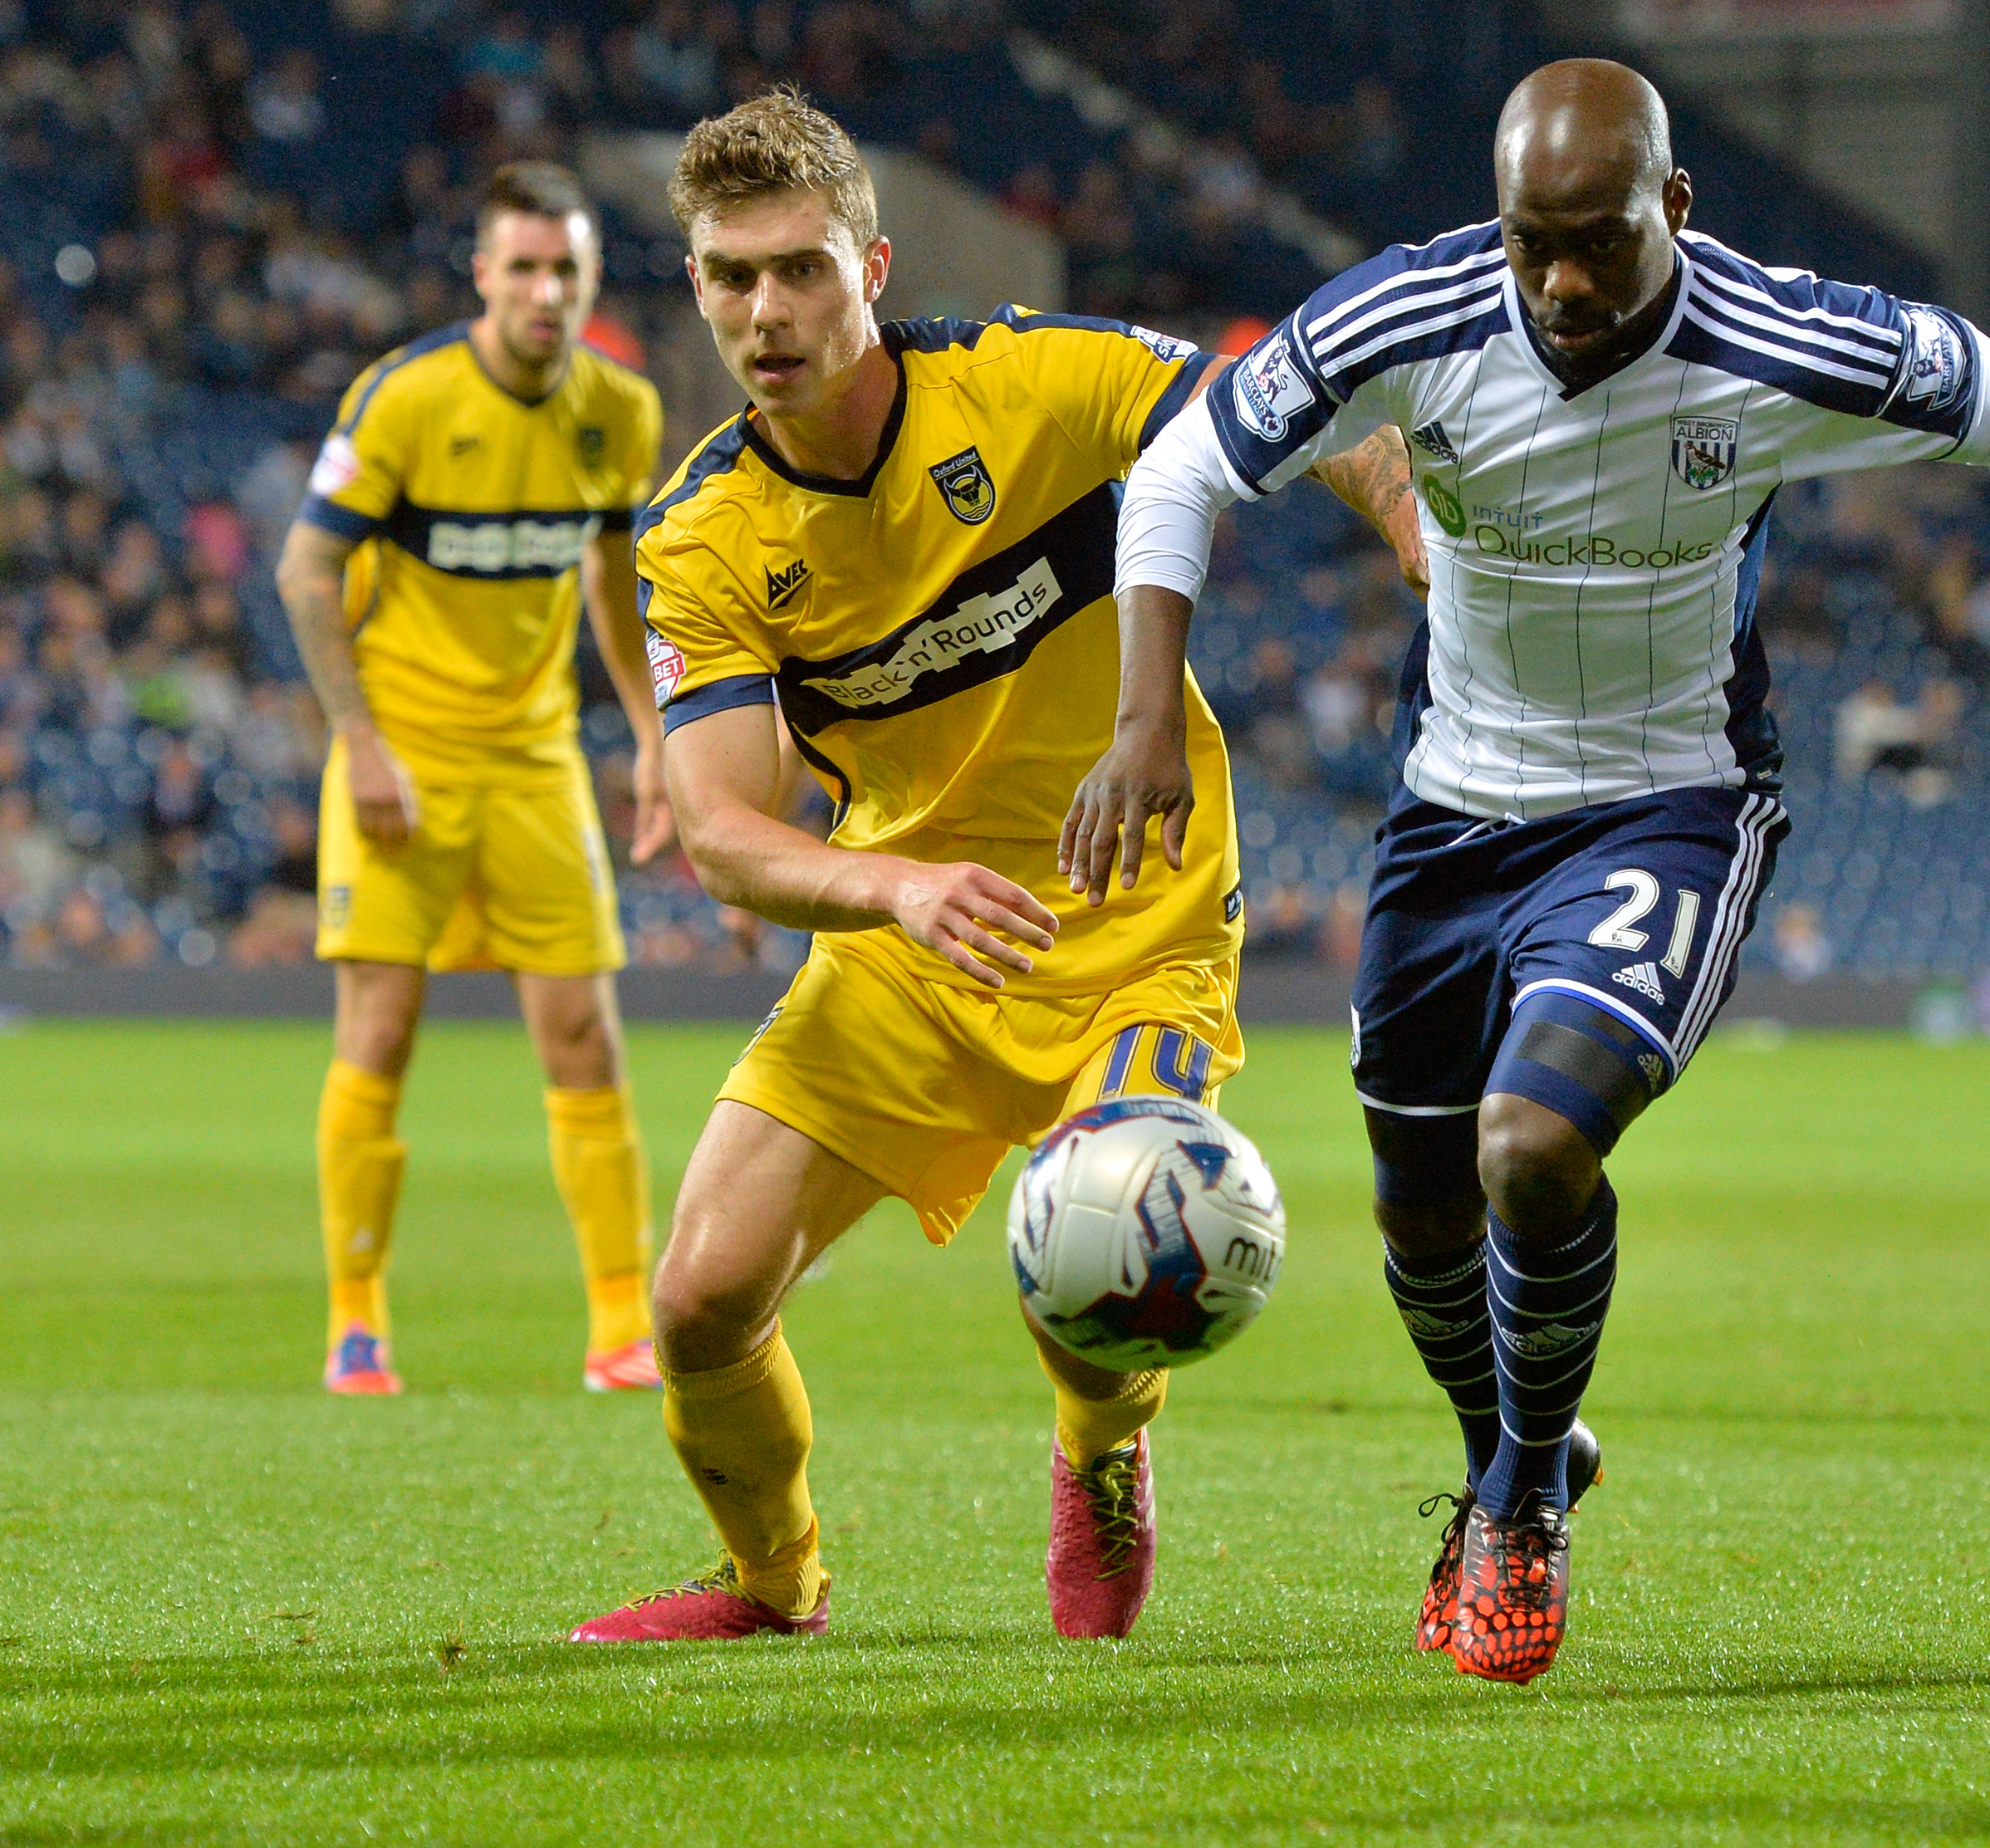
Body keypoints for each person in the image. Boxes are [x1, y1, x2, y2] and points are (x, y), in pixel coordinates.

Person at [1065, 58, 1990, 1684]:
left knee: (1527, 1148)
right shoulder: (1410, 316)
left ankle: (1523, 1499)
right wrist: (1141, 725)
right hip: (1452, 811)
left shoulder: (1776, 340)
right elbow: (1186, 466)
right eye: (1535, 242)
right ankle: (1502, 1452)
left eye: (1602, 241)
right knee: (1418, 1213)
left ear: (1675, 207)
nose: (1565, 284)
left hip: (1670, 801)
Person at [573, 89, 1415, 1645]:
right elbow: (721, 830)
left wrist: (1395, 497)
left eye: (802, 269)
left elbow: (1271, 408)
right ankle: (776, 1583)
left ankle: (1101, 1450)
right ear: (694, 288)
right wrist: (893, 888)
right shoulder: (703, 533)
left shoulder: (1029, 381)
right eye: (732, 276)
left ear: (872, 265)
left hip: (1134, 922)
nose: (769, 310)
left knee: (1104, 1251)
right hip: (918, 939)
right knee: (695, 1296)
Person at [275, 162, 672, 1398]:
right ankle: (356, 1323)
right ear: (482, 277)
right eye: (524, 269)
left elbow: (612, 585)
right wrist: (365, 742)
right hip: (402, 754)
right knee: (380, 1032)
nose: (546, 292)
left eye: (567, 270)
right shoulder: (403, 400)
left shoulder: (622, 413)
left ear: (589, 278)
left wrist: (655, 733)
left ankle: (619, 1328)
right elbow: (302, 574)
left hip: (535, 759)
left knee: (581, 1039)